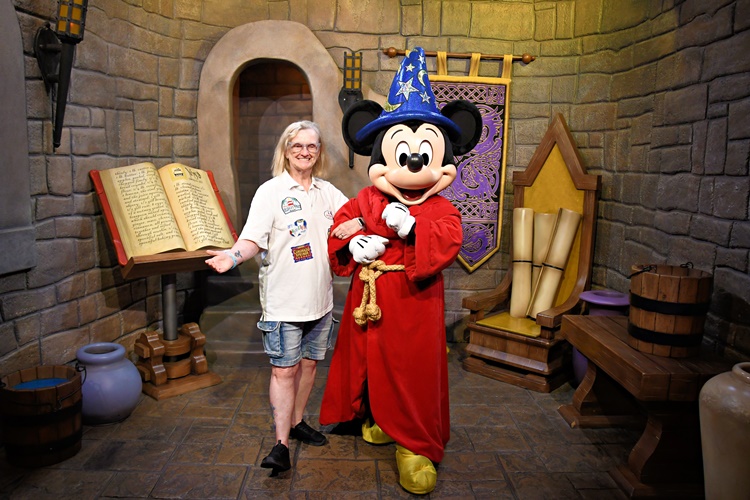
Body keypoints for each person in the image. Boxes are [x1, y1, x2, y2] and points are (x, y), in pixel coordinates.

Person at [205, 120, 361, 474]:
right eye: (297, 146)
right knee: (284, 371)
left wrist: (360, 222)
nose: (305, 152)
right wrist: (232, 256)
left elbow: (358, 210)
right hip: (283, 302)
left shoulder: (327, 192)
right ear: (286, 151)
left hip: (320, 301)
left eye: (312, 146)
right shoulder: (271, 192)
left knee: (309, 365)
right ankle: (281, 445)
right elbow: (252, 239)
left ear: (318, 152)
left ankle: (297, 421)